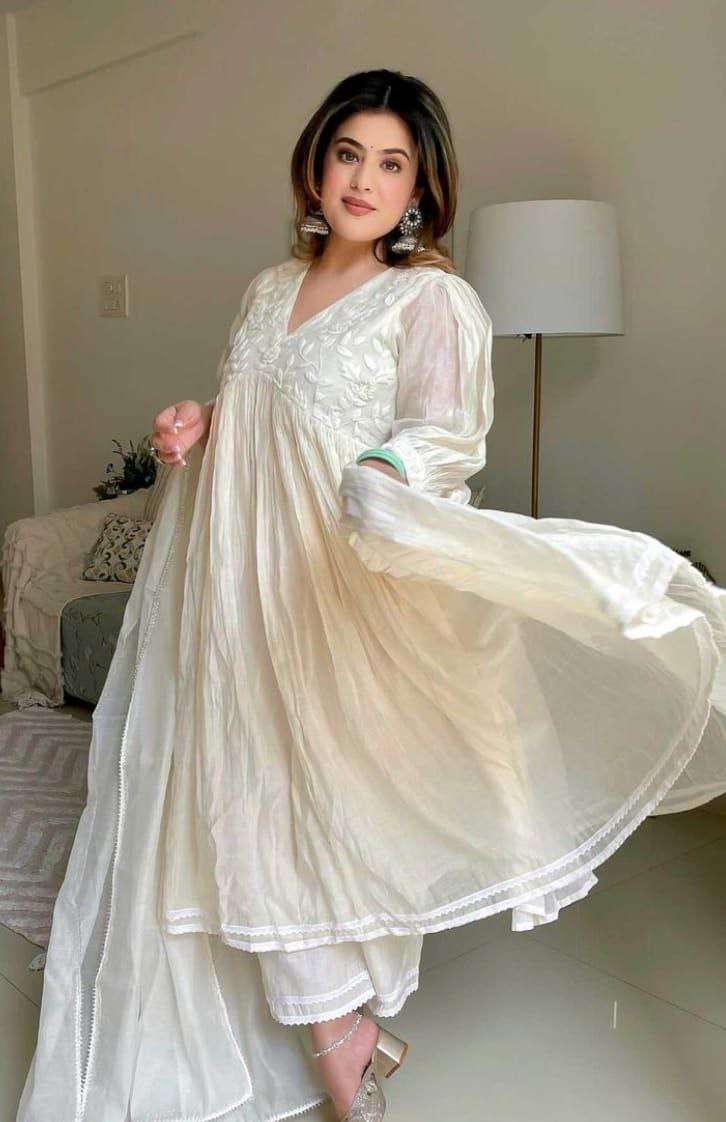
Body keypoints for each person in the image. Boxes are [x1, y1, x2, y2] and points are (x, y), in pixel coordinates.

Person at [17, 69, 726, 1122]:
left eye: (392, 164)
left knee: (311, 800)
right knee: (237, 790)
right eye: (349, 153)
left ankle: (339, 1033)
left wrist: (392, 465)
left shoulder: (432, 298)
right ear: (316, 163)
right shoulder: (269, 287)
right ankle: (338, 1035)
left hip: (336, 585)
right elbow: (261, 407)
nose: (364, 179)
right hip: (234, 583)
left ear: (420, 190)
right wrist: (196, 426)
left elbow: (443, 432)